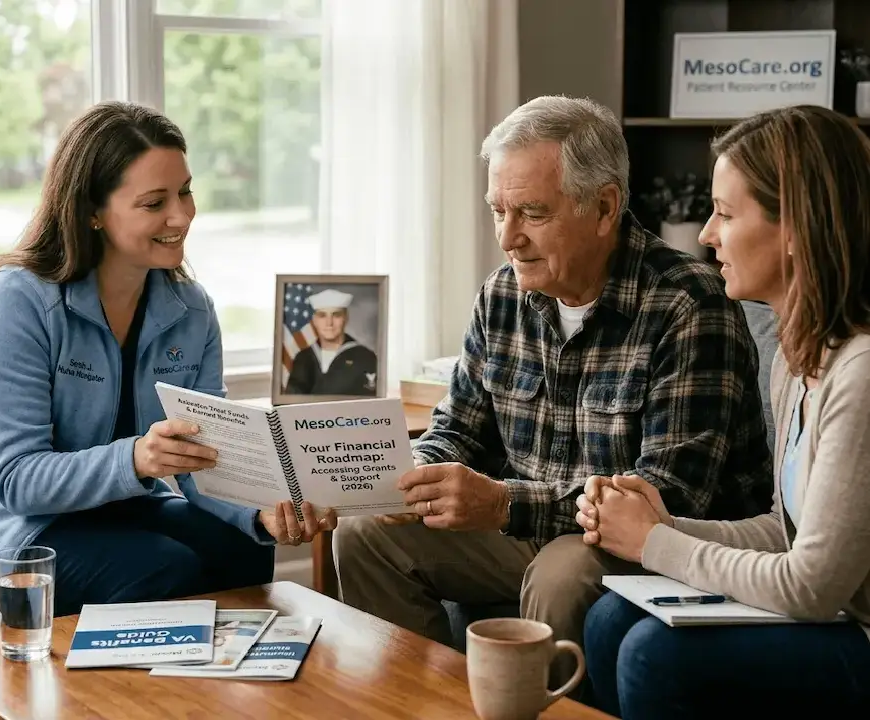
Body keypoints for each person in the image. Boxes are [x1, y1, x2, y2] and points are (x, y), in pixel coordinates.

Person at [331, 95, 773, 689]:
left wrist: (503, 504)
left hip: (640, 544)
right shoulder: (501, 295)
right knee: (363, 536)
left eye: (532, 213)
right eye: (498, 211)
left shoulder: (689, 304)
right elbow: (457, 429)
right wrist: (400, 484)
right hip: (522, 527)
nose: (508, 238)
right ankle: (427, 705)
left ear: (604, 207)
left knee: (562, 571)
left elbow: (671, 500)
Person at [0, 101, 337, 632]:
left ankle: (213, 696)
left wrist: (258, 510)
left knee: (238, 546)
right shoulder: (16, 300)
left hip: (104, 511)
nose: (182, 216)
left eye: (185, 192)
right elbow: (18, 480)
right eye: (155, 202)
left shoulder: (192, 311)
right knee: (164, 569)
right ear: (92, 212)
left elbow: (204, 460)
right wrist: (139, 458)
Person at [578, 105, 870, 719]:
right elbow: (783, 530)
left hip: (857, 631)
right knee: (608, 620)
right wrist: (663, 526)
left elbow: (811, 585)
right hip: (833, 614)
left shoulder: (861, 373)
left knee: (654, 656)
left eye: (726, 213)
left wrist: (656, 544)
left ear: (796, 228)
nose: (706, 233)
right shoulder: (797, 357)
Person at [284, 288, 378, 396]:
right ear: (314, 320)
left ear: (346, 318)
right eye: (322, 315)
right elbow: (291, 402)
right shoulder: (303, 358)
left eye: (336, 315)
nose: (329, 323)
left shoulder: (365, 358)